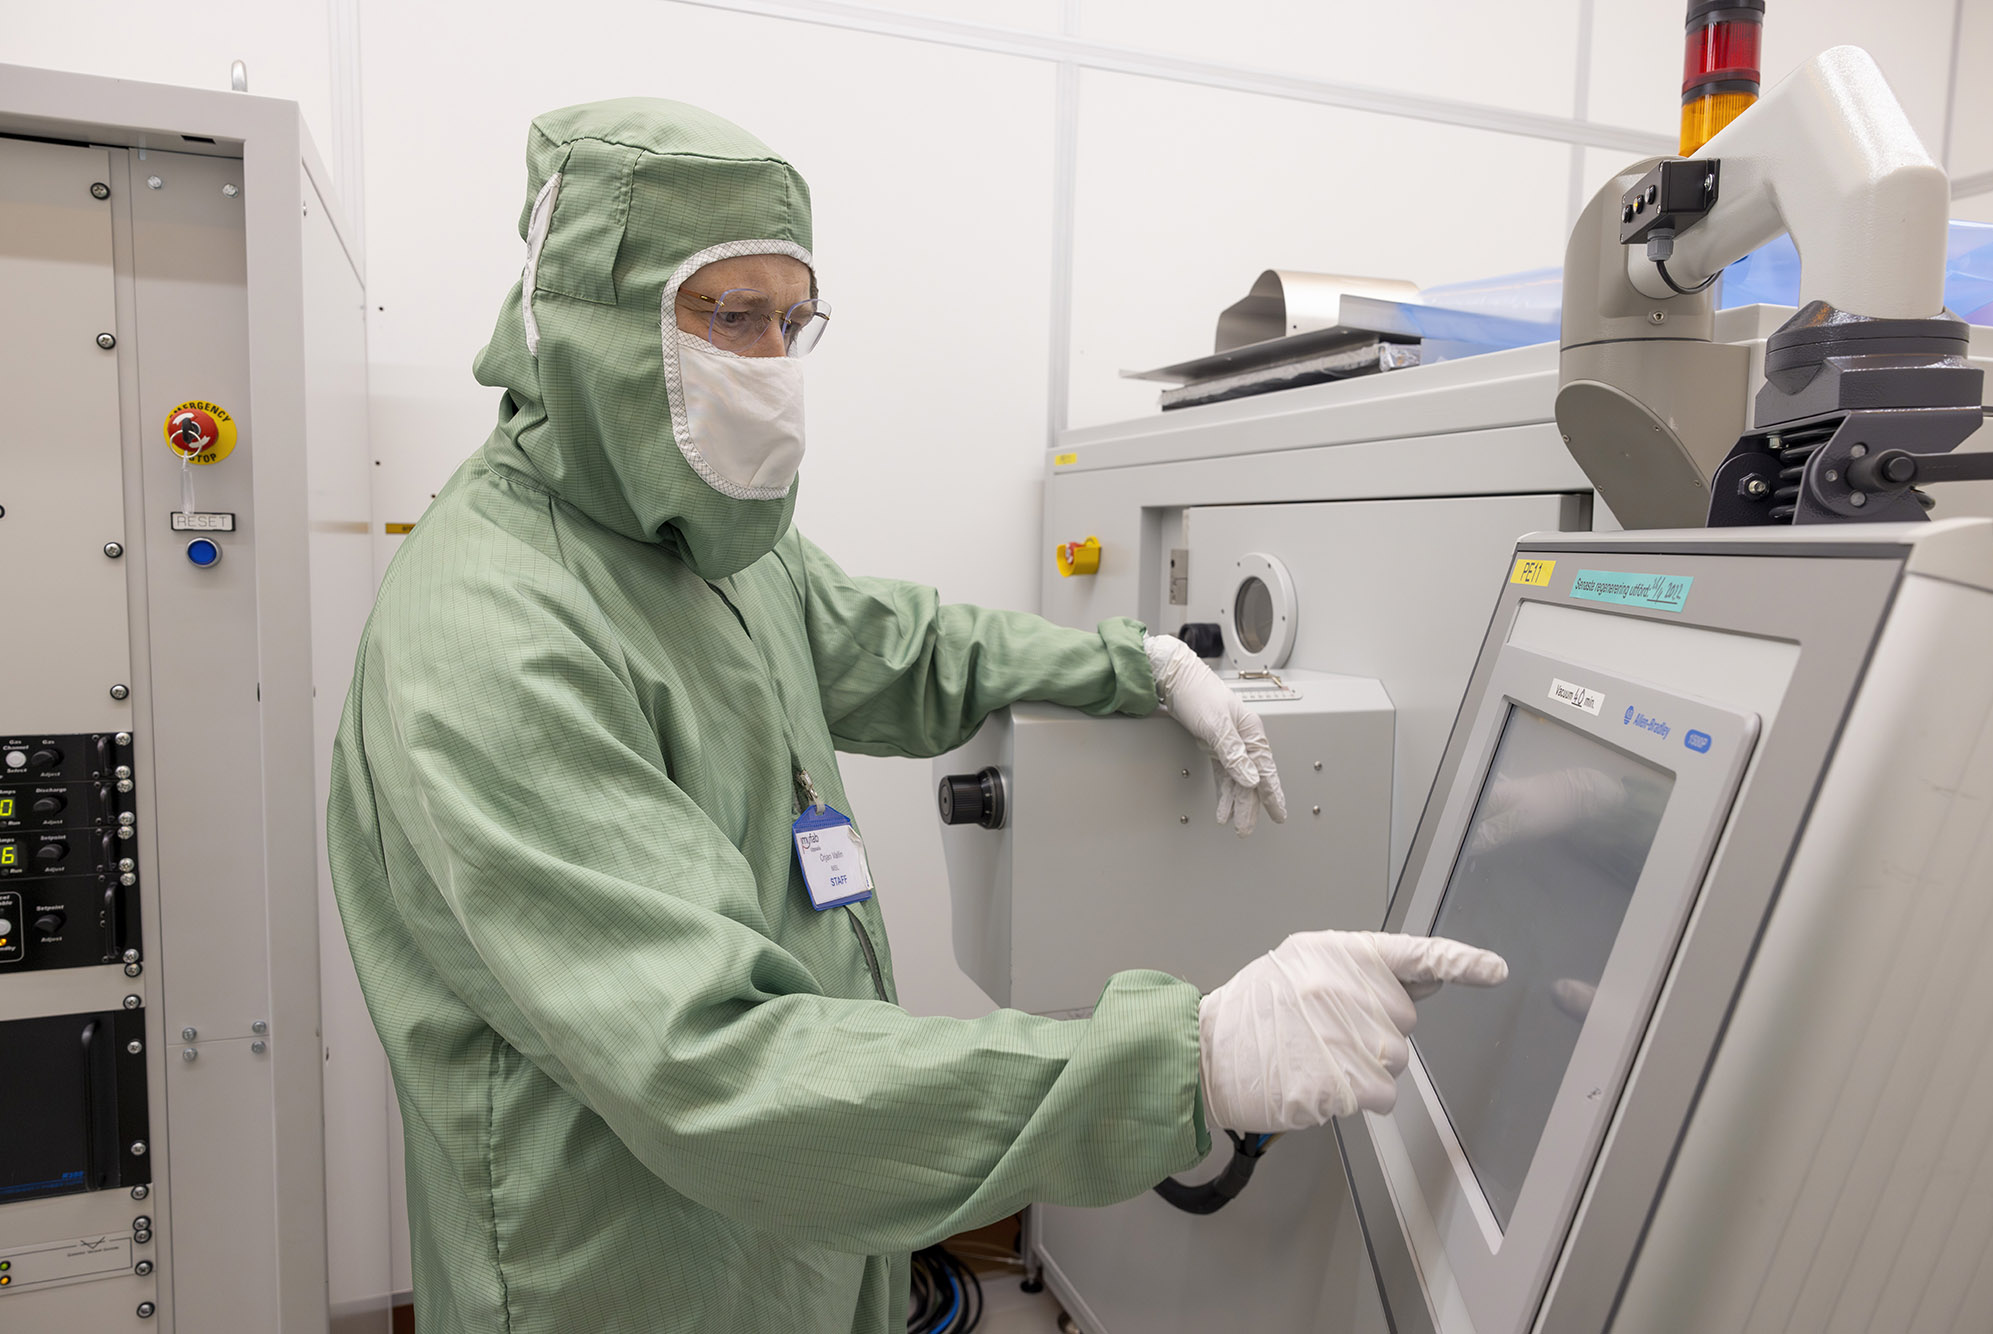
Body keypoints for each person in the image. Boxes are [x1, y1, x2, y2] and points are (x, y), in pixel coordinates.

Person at [326, 98, 1505, 1334]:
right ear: (581, 319)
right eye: (731, 316)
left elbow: (902, 645)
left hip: (802, 1229)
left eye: (793, 322)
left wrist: (1138, 662)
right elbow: (715, 1065)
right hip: (633, 1267)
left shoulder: (702, 541)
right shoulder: (491, 635)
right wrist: (1189, 1057)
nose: (770, 364)